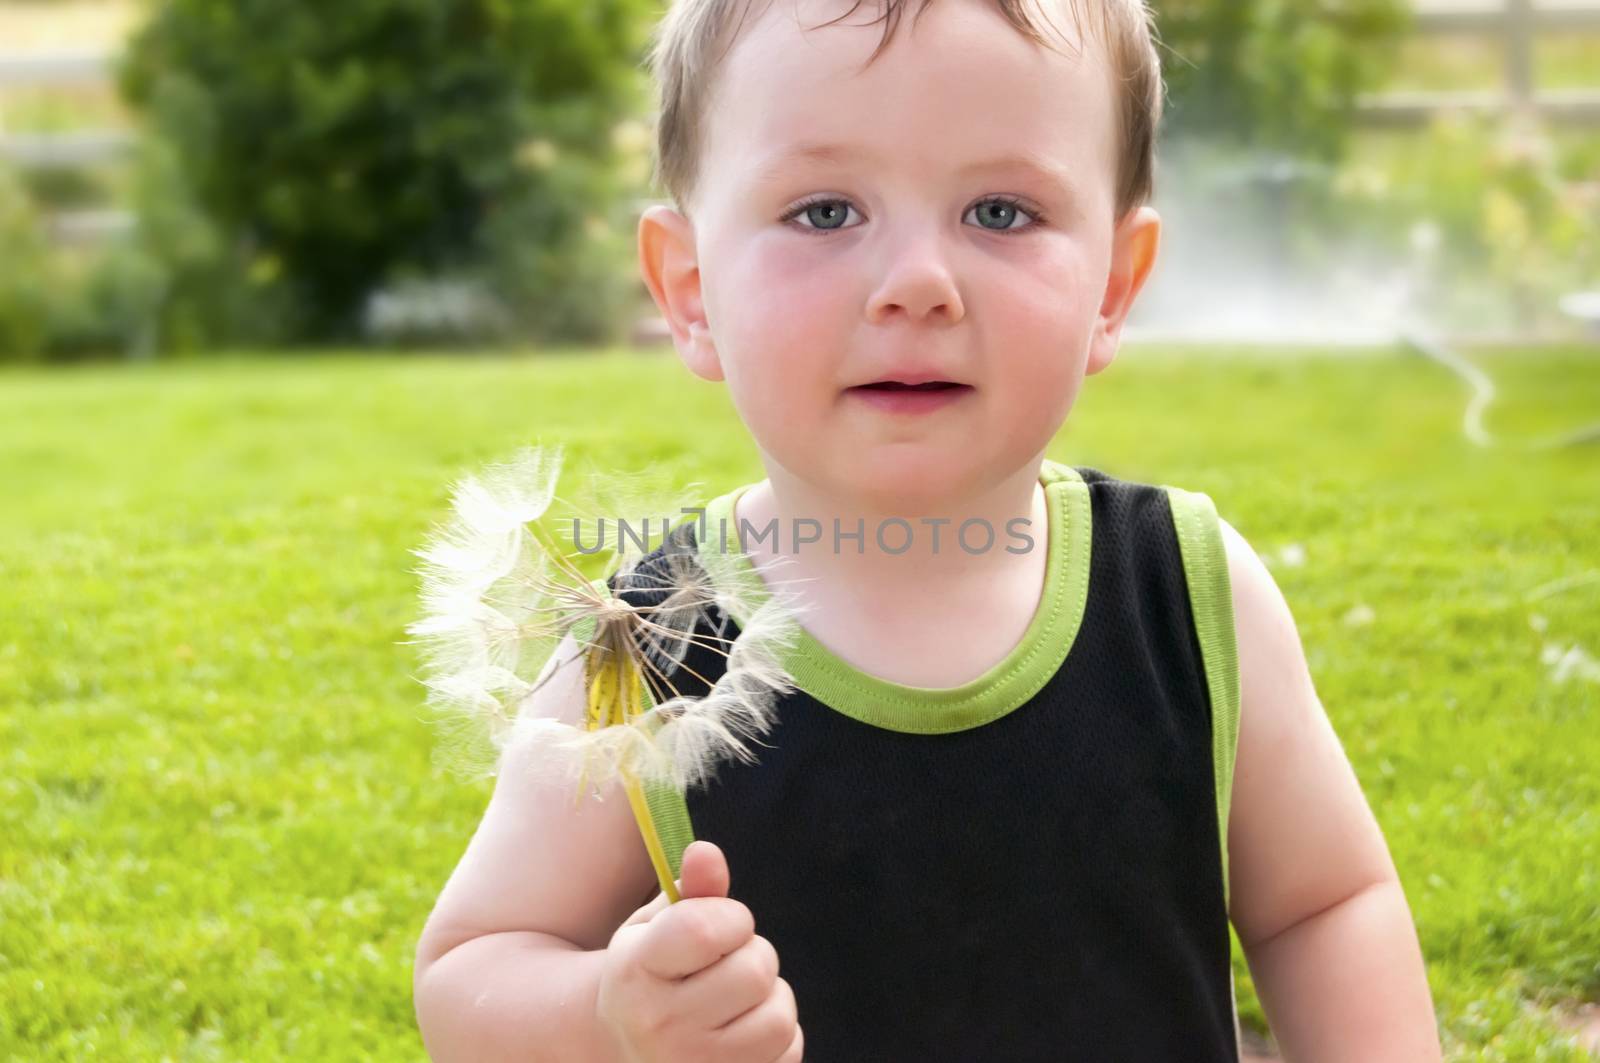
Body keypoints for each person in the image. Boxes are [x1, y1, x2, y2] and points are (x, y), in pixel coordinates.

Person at [412, 0, 1443, 1059]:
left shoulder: (1182, 590)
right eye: (823, 211)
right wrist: (606, 1016)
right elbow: (474, 966)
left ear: (1112, 287)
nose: (916, 286)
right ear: (690, 292)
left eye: (999, 211)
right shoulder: (656, 635)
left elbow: (1324, 905)